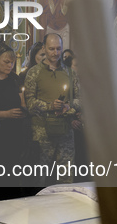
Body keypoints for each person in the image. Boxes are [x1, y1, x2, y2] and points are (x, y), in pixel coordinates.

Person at [25, 33, 80, 184]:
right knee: (39, 177)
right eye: (51, 49)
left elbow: (80, 100)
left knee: (66, 177)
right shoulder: (34, 73)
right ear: (44, 48)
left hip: (65, 131)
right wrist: (50, 106)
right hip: (41, 132)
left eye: (58, 49)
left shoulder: (70, 73)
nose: (55, 53)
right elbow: (29, 104)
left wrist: (69, 106)